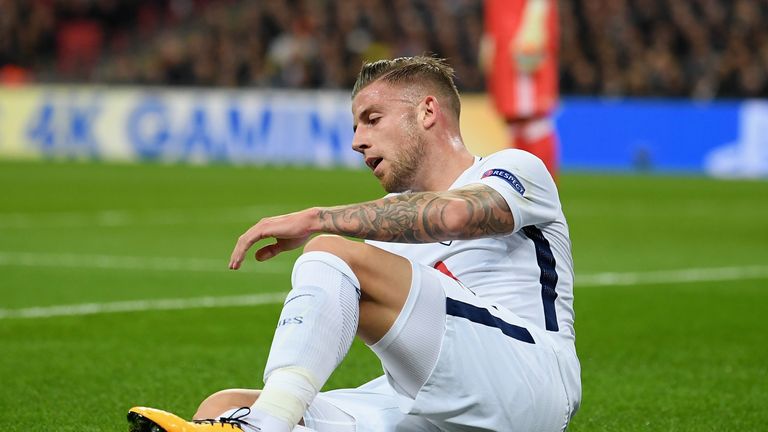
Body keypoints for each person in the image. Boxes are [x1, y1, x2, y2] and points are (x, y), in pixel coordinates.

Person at [128, 56, 580, 432]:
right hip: (438, 406)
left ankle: (264, 426)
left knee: (329, 250)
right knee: (222, 407)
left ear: (426, 112)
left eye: (372, 119)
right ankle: (259, 421)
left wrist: (318, 220)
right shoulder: (381, 233)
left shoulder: (513, 168)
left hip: (530, 380)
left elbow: (455, 214)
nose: (357, 141)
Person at [481, 0, 560, 179]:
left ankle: (542, 187)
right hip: (503, 45)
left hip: (520, 44)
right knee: (514, 121)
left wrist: (535, 23)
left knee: (533, 117)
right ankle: (521, 187)